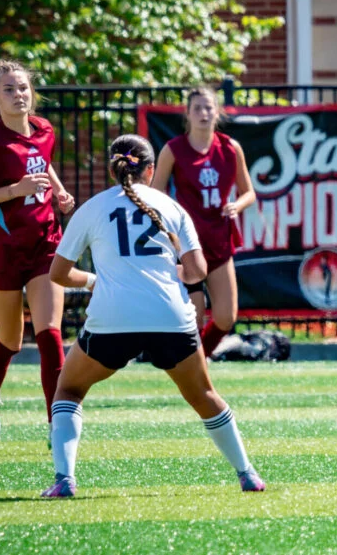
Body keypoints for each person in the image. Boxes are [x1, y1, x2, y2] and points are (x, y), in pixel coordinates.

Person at [42, 134, 264, 497]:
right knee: (205, 396)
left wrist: (96, 281)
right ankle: (248, 474)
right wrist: (163, 273)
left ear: (112, 168)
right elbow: (196, 272)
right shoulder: (171, 207)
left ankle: (64, 481)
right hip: (170, 318)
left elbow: (58, 274)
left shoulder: (93, 208)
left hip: (113, 319)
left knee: (68, 389)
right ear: (150, 169)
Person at [0, 60, 76, 440]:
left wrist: (57, 190)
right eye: (9, 89)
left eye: (23, 87)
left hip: (45, 244)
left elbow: (43, 164)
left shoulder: (44, 129)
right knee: (11, 339)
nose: (18, 94)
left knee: (50, 334)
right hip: (3, 251)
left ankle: (56, 426)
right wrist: (15, 190)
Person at [151, 87, 256, 358]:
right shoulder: (174, 149)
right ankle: (193, 372)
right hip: (188, 245)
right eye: (197, 108)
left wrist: (237, 205)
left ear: (217, 112)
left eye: (208, 107)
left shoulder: (231, 148)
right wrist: (170, 226)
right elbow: (154, 194)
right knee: (193, 319)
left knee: (225, 317)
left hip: (220, 239)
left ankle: (200, 362)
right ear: (187, 114)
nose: (203, 113)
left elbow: (249, 192)